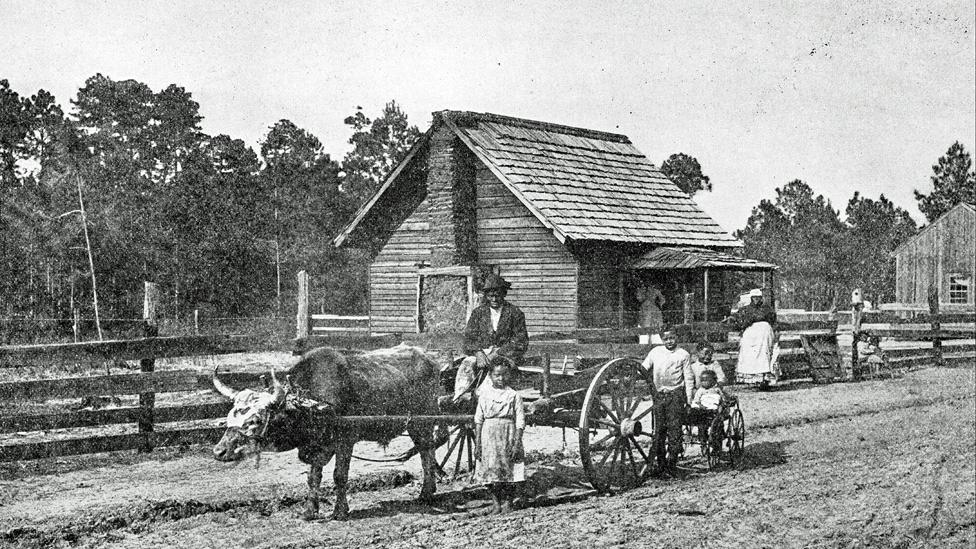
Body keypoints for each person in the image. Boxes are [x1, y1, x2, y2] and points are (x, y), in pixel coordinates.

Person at [452, 274, 528, 403]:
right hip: (482, 354)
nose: (494, 299)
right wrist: (478, 352)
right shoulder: (478, 313)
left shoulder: (515, 313)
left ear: (503, 294)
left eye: (497, 295)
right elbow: (469, 338)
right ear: (486, 296)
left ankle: (484, 400)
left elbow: (521, 341)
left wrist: (498, 353)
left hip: (507, 355)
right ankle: (460, 397)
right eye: (490, 296)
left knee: (496, 370)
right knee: (467, 364)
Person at [474, 361, 525, 514]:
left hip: (508, 433)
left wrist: (517, 442)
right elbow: (478, 420)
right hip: (489, 435)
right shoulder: (484, 395)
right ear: (490, 376)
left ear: (509, 375)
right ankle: (496, 504)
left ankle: (508, 502)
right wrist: (478, 444)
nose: (500, 379)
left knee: (508, 468)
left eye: (504, 375)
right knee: (490, 470)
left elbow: (520, 421)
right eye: (497, 375)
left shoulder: (514, 395)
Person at [641, 328, 694, 477]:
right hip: (658, 396)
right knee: (658, 431)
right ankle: (661, 464)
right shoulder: (655, 352)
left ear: (677, 337)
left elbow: (688, 379)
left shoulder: (683, 355)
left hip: (675, 396)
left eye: (672, 338)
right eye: (666, 339)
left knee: (674, 430)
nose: (669, 341)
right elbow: (644, 368)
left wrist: (688, 401)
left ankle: (672, 465)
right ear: (661, 339)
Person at [728, 288, 779, 387]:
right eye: (754, 297)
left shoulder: (767, 309)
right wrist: (734, 319)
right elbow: (739, 320)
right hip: (751, 334)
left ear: (761, 298)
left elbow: (773, 321)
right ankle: (752, 380)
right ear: (751, 298)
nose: (756, 299)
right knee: (749, 354)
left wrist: (775, 332)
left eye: (758, 298)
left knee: (765, 355)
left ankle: (765, 380)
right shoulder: (745, 309)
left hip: (764, 334)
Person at [687, 370, 726, 451]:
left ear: (713, 381)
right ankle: (703, 443)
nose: (703, 383)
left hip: (714, 409)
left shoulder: (717, 389)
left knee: (718, 422)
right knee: (702, 426)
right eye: (702, 381)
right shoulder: (700, 390)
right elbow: (697, 400)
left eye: (706, 380)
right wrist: (701, 406)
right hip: (703, 410)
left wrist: (721, 405)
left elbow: (722, 399)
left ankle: (717, 444)